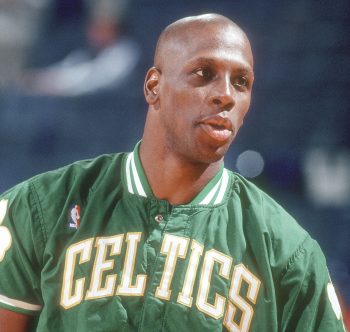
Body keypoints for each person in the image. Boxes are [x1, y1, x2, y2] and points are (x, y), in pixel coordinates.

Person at [0, 13, 346, 332]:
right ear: (153, 86)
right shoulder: (40, 207)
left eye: (241, 81)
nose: (225, 95)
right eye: (204, 74)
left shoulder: (288, 252)